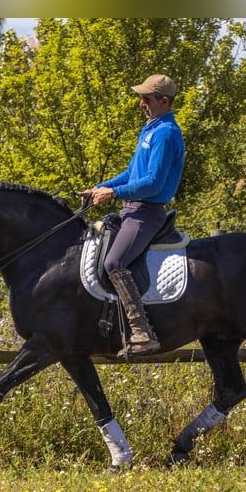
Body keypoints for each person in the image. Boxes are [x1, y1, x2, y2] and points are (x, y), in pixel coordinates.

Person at [81, 74, 185, 357]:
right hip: (131, 210)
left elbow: (152, 183)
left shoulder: (166, 133)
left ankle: (140, 331)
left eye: (147, 99)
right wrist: (102, 188)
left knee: (114, 261)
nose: (141, 103)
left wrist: (113, 195)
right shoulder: (150, 130)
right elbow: (131, 174)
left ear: (164, 101)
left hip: (146, 213)